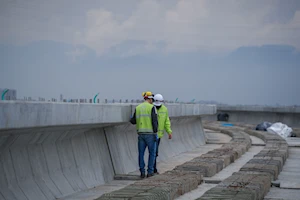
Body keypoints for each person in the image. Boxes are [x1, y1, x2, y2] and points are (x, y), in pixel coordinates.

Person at [130, 91, 158, 178]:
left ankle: (142, 172)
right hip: (150, 134)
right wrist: (155, 132)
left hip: (141, 134)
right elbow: (154, 121)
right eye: (152, 99)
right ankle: (150, 172)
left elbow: (133, 121)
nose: (152, 101)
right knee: (152, 153)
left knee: (141, 153)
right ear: (149, 99)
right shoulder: (152, 107)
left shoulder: (138, 108)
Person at [153, 94, 172, 174]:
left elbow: (166, 121)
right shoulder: (151, 108)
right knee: (153, 152)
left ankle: (153, 168)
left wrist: (169, 131)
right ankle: (153, 169)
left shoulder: (164, 109)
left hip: (159, 135)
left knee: (155, 152)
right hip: (152, 134)